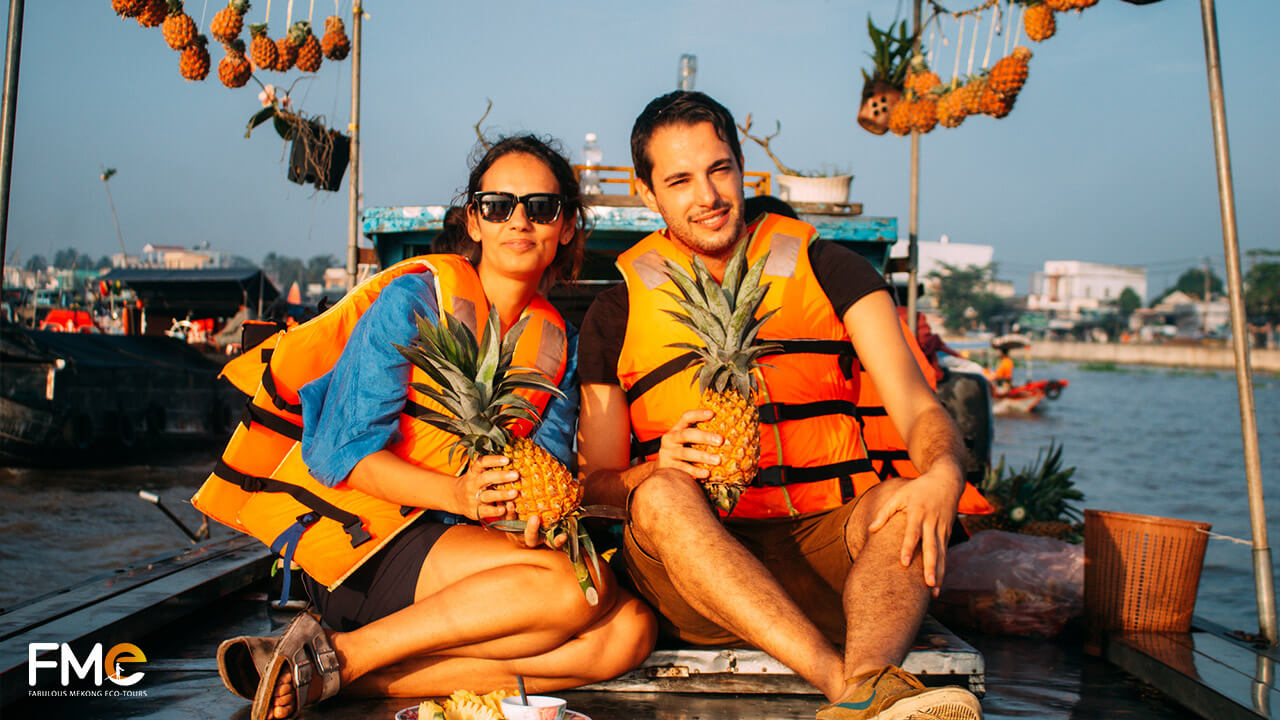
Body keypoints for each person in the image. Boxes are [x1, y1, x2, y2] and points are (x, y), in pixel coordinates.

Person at [200, 135, 655, 720]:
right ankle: (341, 651)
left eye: (541, 208)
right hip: (367, 543)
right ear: (475, 219)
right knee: (576, 587)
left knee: (629, 632)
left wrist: (541, 519)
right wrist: (459, 494)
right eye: (498, 205)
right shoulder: (415, 299)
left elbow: (549, 468)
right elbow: (341, 452)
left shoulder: (556, 345)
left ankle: (351, 676)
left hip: (470, 552)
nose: (520, 221)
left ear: (565, 226)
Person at [576, 92, 982, 720]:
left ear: (741, 168)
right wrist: (652, 467)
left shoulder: (831, 268)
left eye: (718, 169)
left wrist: (944, 474)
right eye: (679, 180)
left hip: (831, 563)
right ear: (648, 194)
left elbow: (918, 407)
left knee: (912, 493)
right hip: (695, 580)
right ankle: (846, 690)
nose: (707, 196)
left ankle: (871, 680)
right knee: (657, 495)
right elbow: (595, 485)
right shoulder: (616, 309)